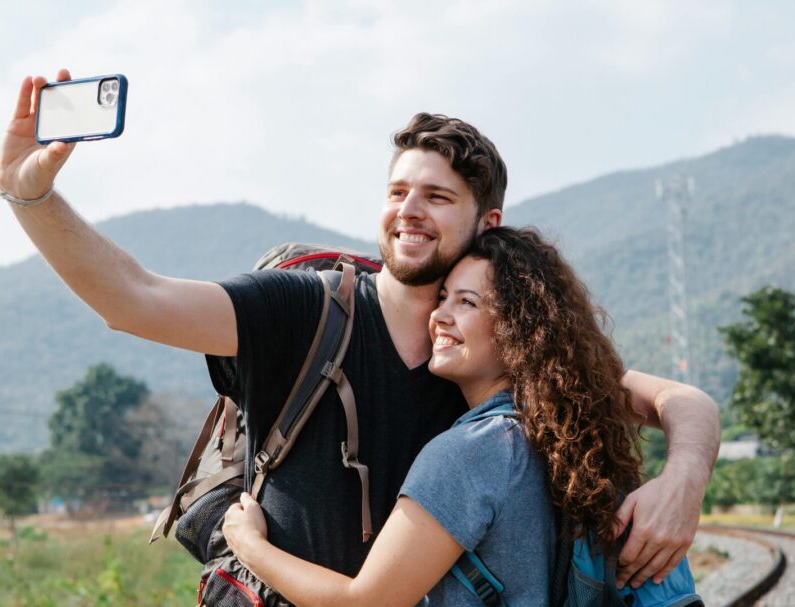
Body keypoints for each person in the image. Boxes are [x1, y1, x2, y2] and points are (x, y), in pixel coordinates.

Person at [0, 69, 720, 591]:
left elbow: (683, 402)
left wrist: (682, 483)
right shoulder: (302, 311)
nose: (410, 210)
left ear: (485, 224)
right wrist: (30, 196)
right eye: (398, 190)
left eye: (437, 196)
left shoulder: (490, 354)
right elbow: (134, 298)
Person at [222, 226, 703, 606]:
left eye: (466, 302)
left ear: (520, 329)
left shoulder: (471, 453)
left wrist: (250, 547)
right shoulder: (572, 431)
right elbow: (684, 400)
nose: (440, 316)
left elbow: (364, 602)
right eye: (443, 297)